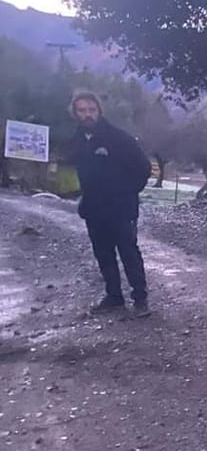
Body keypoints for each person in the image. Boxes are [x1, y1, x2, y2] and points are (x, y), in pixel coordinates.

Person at [68, 91, 153, 317]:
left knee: (129, 252)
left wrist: (127, 192)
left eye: (92, 110)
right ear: (75, 113)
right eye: (82, 110)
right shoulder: (76, 140)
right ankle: (114, 297)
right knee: (103, 254)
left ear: (99, 111)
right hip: (93, 209)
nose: (87, 115)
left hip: (121, 209)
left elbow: (144, 168)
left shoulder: (119, 138)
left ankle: (140, 299)